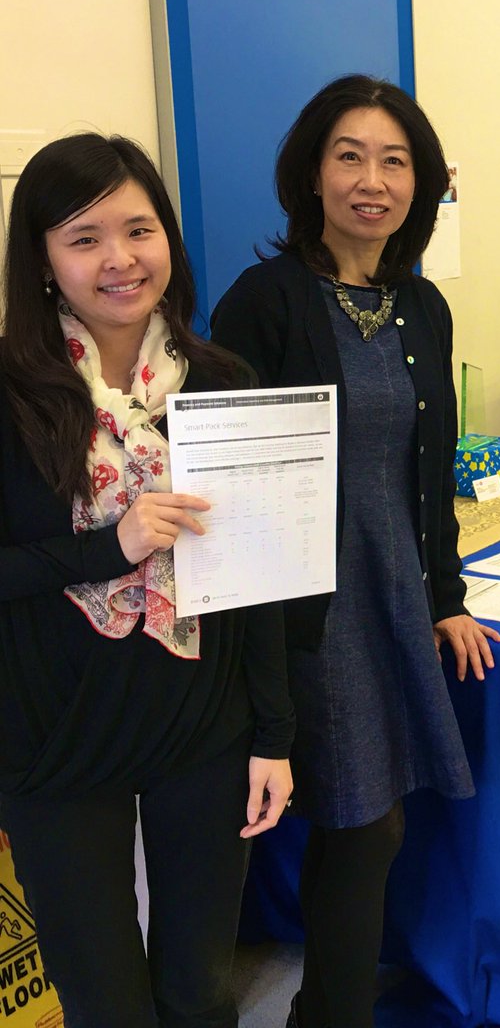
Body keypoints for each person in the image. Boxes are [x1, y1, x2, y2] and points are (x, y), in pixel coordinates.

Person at [210, 74, 500, 1028]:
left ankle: (328, 1008)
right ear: (312, 173)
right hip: (309, 611)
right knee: (363, 821)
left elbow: (431, 466)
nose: (372, 181)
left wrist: (447, 596)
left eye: (395, 161)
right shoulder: (263, 302)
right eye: (350, 157)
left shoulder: (422, 306)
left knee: (370, 824)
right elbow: (238, 491)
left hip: (395, 595)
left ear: (421, 182)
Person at [0, 133, 295, 1027]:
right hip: (55, 738)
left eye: (139, 230)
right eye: (84, 238)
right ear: (42, 261)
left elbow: (260, 577)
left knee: (200, 987)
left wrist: (273, 736)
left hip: (202, 725)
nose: (120, 259)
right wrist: (110, 546)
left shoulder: (222, 380)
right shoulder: (11, 392)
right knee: (104, 1002)